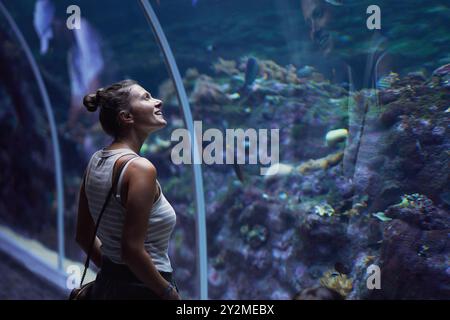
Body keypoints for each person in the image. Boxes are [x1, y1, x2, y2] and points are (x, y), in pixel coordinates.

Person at [75, 79, 181, 300]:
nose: (158, 101)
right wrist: (167, 292)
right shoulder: (140, 169)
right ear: (126, 117)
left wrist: (114, 274)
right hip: (145, 291)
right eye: (146, 97)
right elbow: (131, 249)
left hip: (107, 286)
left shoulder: (95, 161)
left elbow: (84, 236)